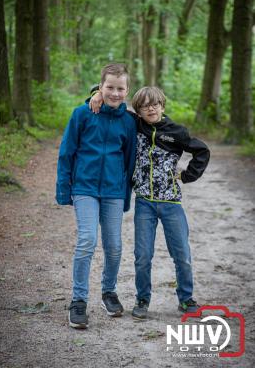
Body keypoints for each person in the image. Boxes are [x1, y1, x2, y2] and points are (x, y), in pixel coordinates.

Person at [90, 86, 210, 320]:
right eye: (145, 106)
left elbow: (202, 151)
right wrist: (96, 93)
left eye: (155, 104)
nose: (151, 108)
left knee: (182, 254)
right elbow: (113, 100)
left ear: (162, 105)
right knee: (143, 255)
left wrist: (187, 176)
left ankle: (186, 299)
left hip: (171, 204)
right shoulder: (135, 124)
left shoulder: (177, 132)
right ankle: (142, 299)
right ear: (139, 110)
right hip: (144, 203)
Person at [56, 63, 137, 329]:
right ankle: (78, 301)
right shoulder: (82, 114)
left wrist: (125, 196)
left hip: (113, 190)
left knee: (114, 246)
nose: (115, 93)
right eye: (109, 87)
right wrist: (63, 189)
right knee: (87, 240)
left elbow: (129, 160)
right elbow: (67, 152)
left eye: (120, 88)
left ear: (127, 90)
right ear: (100, 87)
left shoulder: (129, 121)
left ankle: (109, 292)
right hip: (85, 188)